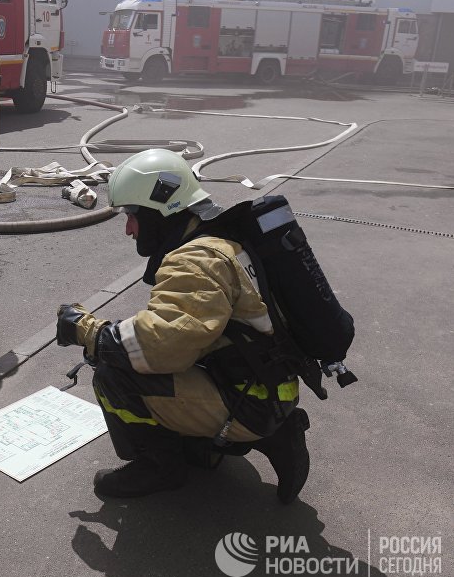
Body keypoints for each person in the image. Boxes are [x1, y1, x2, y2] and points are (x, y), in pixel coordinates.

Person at [56, 148, 311, 504]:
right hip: (265, 385)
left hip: (251, 401)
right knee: (132, 355)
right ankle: (243, 436)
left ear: (160, 210)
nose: (129, 228)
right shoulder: (223, 239)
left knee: (114, 370)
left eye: (132, 215)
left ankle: (161, 466)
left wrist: (85, 330)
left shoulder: (196, 261)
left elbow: (157, 348)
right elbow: (187, 327)